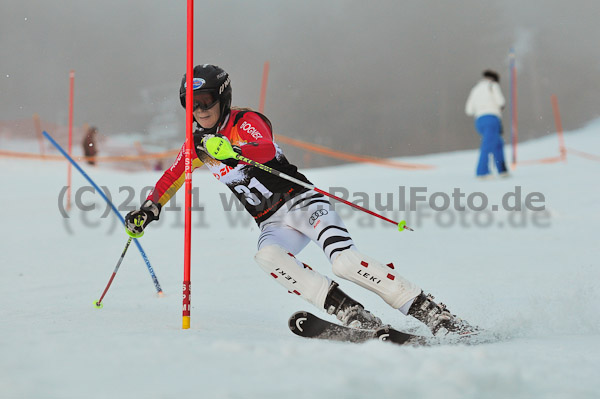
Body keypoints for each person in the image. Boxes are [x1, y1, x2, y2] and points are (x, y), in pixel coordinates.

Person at [125, 64, 477, 337]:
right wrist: (149, 208)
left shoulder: (245, 121)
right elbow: (170, 178)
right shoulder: (198, 145)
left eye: (207, 102)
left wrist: (234, 151)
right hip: (271, 222)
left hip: (301, 202)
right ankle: (350, 312)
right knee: (267, 256)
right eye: (192, 105)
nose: (200, 111)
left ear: (223, 98)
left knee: (344, 262)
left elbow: (263, 146)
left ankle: (429, 310)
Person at [465, 70, 508, 178]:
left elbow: (469, 110)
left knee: (497, 143)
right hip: (492, 118)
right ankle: (482, 172)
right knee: (488, 145)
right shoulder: (493, 85)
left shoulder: (475, 89)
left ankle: (502, 170)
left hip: (479, 120)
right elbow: (501, 102)